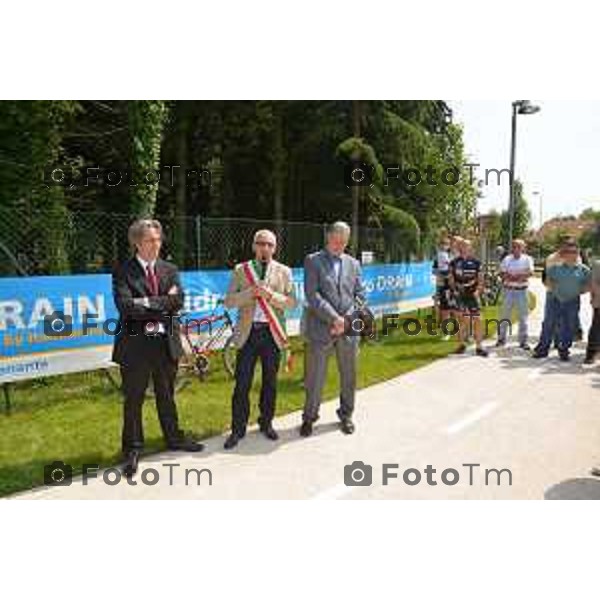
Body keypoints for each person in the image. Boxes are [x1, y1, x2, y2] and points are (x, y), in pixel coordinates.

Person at [112, 219, 204, 476]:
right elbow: (126, 307)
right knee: (134, 399)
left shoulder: (169, 269)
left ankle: (174, 438)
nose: (156, 244)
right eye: (151, 240)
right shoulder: (123, 271)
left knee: (167, 395)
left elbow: (178, 301)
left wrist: (148, 302)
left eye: (158, 240)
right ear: (137, 243)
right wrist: (161, 304)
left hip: (165, 344)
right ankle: (132, 449)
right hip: (135, 346)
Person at [223, 230, 296, 449]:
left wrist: (270, 297)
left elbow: (292, 303)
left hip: (271, 334)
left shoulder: (284, 271)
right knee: (242, 383)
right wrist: (250, 293)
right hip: (248, 333)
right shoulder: (241, 270)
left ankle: (266, 423)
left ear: (275, 248)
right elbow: (228, 301)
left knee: (270, 383)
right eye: (261, 243)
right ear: (254, 246)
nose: (265, 248)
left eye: (269, 245)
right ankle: (238, 429)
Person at [301, 221, 365, 437]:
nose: (340, 245)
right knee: (314, 378)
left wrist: (346, 319)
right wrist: (334, 318)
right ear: (328, 237)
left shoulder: (354, 264)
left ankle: (346, 415)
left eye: (344, 242)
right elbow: (312, 294)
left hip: (348, 330)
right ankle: (309, 417)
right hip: (321, 329)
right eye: (337, 240)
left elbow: (360, 296)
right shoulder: (313, 261)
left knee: (349, 376)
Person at [532, 241, 591, 361]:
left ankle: (564, 350)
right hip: (554, 299)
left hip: (573, 301)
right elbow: (547, 280)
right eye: (570, 252)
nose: (573, 254)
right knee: (549, 324)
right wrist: (556, 292)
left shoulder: (583, 270)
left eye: (575, 252)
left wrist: (580, 291)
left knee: (569, 326)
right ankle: (542, 349)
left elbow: (589, 283)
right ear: (564, 254)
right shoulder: (555, 268)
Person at [449, 239, 489, 357]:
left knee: (478, 319)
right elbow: (451, 279)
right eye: (461, 246)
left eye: (466, 246)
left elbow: (480, 279)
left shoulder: (476, 262)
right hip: (460, 295)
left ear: (470, 248)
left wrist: (478, 291)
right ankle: (461, 345)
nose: (463, 248)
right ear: (459, 248)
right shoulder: (454, 262)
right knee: (463, 320)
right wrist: (454, 291)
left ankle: (479, 347)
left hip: (472, 294)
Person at [496, 239, 534, 349]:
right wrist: (512, 276)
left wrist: (516, 276)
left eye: (518, 246)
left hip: (522, 291)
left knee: (523, 317)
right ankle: (501, 339)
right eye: (514, 246)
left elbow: (530, 272)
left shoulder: (527, 259)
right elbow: (502, 272)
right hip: (508, 290)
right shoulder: (507, 259)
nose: (516, 248)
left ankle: (523, 341)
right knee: (504, 316)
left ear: (523, 248)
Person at [432, 236, 454, 337]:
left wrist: (449, 275)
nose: (443, 246)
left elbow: (453, 270)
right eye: (442, 244)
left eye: (446, 244)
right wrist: (440, 274)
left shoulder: (451, 256)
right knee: (443, 308)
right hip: (442, 285)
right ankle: (445, 330)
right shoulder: (438, 256)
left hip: (452, 285)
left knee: (455, 308)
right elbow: (434, 270)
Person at [584, 256, 600, 364]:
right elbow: (593, 283)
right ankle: (591, 353)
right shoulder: (598, 264)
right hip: (599, 301)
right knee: (596, 327)